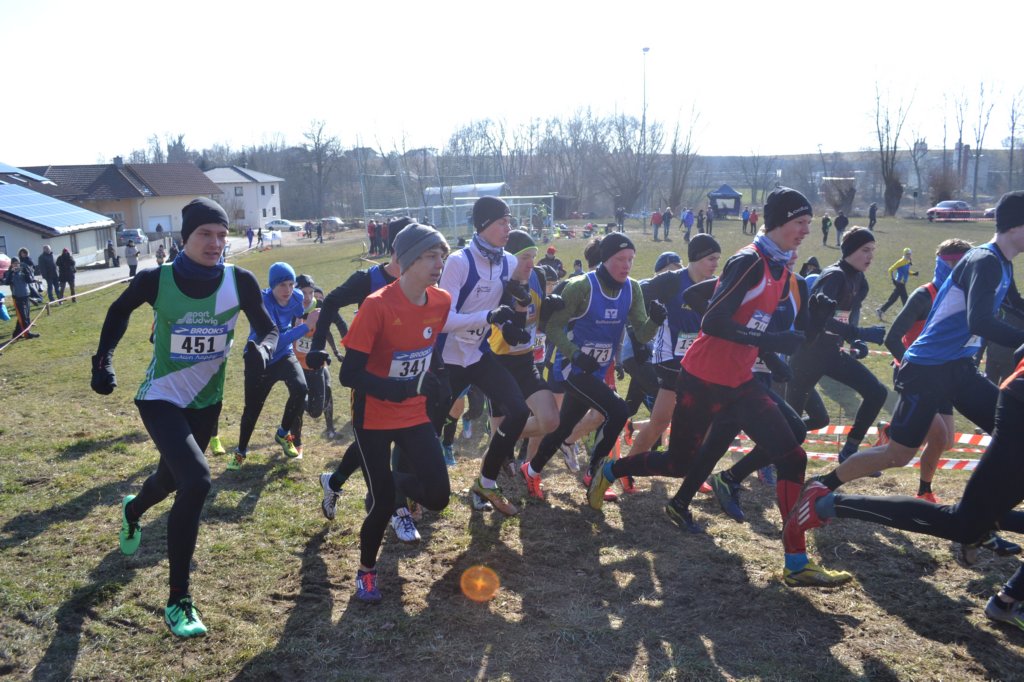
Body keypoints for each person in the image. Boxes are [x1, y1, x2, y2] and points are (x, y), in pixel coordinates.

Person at [591, 187, 852, 587]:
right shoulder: (749, 261)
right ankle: (612, 468)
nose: (805, 230)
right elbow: (713, 321)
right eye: (800, 222)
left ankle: (796, 562)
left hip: (740, 381)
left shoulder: (781, 271)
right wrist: (770, 341)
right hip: (701, 378)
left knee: (793, 456)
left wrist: (814, 323)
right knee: (679, 464)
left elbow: (786, 335)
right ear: (780, 222)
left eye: (808, 224)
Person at [90, 197, 278, 637]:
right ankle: (179, 600)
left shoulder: (239, 280)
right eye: (204, 234)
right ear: (184, 237)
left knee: (170, 479)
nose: (215, 243)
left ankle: (133, 509)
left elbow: (267, 327)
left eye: (221, 235)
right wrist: (103, 361)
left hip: (207, 402)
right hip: (161, 397)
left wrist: (262, 348)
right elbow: (118, 310)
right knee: (196, 480)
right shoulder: (157, 279)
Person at [797, 191, 1024, 505]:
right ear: (1015, 226)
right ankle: (821, 486)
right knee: (897, 455)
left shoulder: (1003, 264)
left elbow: (1016, 306)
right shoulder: (985, 261)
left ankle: (980, 514)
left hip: (958, 367)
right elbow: (980, 321)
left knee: (1011, 430)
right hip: (926, 370)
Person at [786, 348, 1024, 631]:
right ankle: (825, 502)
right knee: (952, 513)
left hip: (969, 378)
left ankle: (1007, 597)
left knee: (939, 454)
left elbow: (1018, 350)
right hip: (947, 378)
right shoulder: (935, 323)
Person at [336, 223, 452, 602]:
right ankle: (366, 572)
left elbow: (425, 350)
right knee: (383, 504)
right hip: (373, 417)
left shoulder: (441, 301)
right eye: (430, 256)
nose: (438, 264)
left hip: (414, 414)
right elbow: (349, 375)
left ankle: (392, 481)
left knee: (439, 497)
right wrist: (401, 388)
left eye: (441, 256)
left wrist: (438, 378)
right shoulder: (377, 305)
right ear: (407, 260)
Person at [524, 233, 664, 498]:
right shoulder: (581, 286)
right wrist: (575, 354)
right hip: (570, 367)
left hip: (596, 370)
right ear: (605, 258)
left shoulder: (633, 288)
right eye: (620, 259)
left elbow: (642, 334)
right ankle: (594, 474)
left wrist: (655, 321)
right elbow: (553, 327)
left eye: (631, 259)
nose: (626, 265)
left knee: (564, 426)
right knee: (619, 410)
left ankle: (531, 470)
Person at [433, 196, 532, 516]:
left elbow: (505, 309)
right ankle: (407, 493)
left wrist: (512, 324)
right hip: (447, 358)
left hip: (478, 354)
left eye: (509, 221)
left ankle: (486, 483)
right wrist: (489, 317)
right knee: (428, 428)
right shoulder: (459, 262)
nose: (508, 228)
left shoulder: (509, 262)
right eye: (502, 222)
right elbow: (443, 320)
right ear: (484, 225)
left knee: (518, 411)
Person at [786, 226, 888, 464]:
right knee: (791, 425)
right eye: (865, 250)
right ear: (851, 250)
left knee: (877, 392)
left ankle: (849, 450)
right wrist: (860, 333)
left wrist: (855, 340)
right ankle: (766, 462)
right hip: (807, 356)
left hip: (831, 354)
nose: (870, 256)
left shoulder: (860, 281)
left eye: (872, 250)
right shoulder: (834, 276)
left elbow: (846, 318)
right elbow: (817, 318)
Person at [882, 238, 973, 502]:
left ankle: (892, 430)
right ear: (949, 265)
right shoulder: (924, 296)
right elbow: (892, 338)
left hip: (942, 377)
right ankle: (924, 491)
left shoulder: (963, 298)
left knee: (946, 441)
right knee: (934, 437)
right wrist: (911, 368)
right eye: (965, 265)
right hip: (916, 377)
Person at [624, 237, 721, 465]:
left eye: (718, 259)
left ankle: (694, 471)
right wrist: (639, 335)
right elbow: (635, 296)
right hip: (669, 359)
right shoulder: (671, 280)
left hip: (698, 360)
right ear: (695, 258)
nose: (716, 264)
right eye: (711, 258)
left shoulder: (715, 285)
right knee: (664, 421)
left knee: (697, 420)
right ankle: (627, 467)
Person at [489, 230, 560, 498]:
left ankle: (503, 441)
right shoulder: (498, 282)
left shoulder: (538, 277)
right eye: (524, 257)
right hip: (497, 365)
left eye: (533, 256)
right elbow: (505, 331)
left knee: (550, 420)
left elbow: (539, 324)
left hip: (526, 361)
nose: (531, 263)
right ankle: (484, 487)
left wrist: (549, 313)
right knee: (497, 442)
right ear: (508, 259)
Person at [230, 262, 315, 467]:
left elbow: (298, 314)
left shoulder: (297, 297)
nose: (288, 290)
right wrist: (306, 327)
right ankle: (240, 452)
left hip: (284, 356)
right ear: (272, 285)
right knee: (252, 409)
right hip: (261, 356)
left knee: (301, 388)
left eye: (291, 284)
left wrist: (302, 320)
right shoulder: (262, 302)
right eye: (282, 285)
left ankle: (283, 433)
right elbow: (276, 339)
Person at [2, 258, 40, 339]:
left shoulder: (22, 271)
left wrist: (26, 271)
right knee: (23, 316)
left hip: (26, 295)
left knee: (26, 316)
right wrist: (11, 272)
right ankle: (27, 334)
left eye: (17, 263)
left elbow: (29, 280)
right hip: (17, 298)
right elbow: (6, 282)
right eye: (14, 263)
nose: (16, 265)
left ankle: (16, 334)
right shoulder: (9, 273)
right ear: (11, 264)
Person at [876, 247, 917, 319]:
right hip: (899, 283)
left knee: (893, 299)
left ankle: (880, 310)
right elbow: (890, 269)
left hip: (902, 284)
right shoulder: (901, 261)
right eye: (907, 254)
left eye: (910, 254)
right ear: (904, 254)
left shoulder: (907, 261)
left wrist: (913, 274)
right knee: (905, 299)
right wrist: (893, 279)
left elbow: (906, 272)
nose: (909, 255)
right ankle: (907, 316)